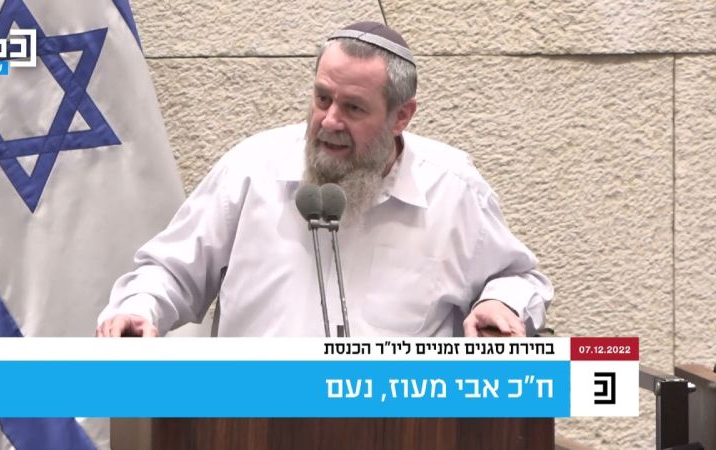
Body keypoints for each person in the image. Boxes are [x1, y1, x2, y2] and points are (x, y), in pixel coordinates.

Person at [96, 21, 553, 338]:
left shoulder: (453, 190)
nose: (330, 120)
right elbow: (171, 270)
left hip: (399, 427)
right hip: (249, 423)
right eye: (321, 98)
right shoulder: (252, 167)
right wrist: (139, 308)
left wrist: (500, 304)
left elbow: (519, 279)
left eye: (353, 107)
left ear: (401, 117)